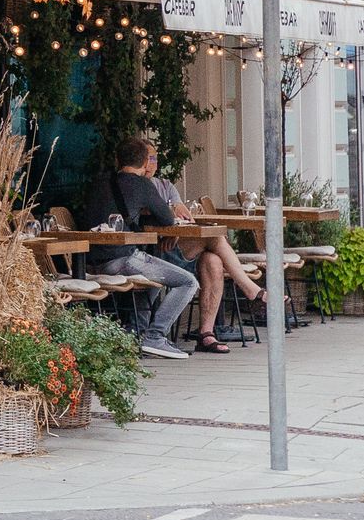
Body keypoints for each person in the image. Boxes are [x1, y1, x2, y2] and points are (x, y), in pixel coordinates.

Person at [81, 136, 199, 362]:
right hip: (121, 259)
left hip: (89, 261)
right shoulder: (143, 184)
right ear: (146, 162)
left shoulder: (99, 182)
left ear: (117, 159)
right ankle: (154, 336)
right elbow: (167, 219)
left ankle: (136, 332)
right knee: (187, 281)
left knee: (154, 271)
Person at [143, 143, 263, 352]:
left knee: (213, 260)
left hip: (176, 248)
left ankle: (206, 334)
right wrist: (171, 223)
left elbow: (182, 215)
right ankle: (250, 288)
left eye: (153, 158)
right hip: (153, 252)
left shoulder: (165, 185)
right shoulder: (135, 185)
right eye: (146, 159)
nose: (150, 164)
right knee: (215, 239)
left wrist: (175, 228)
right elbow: (147, 216)